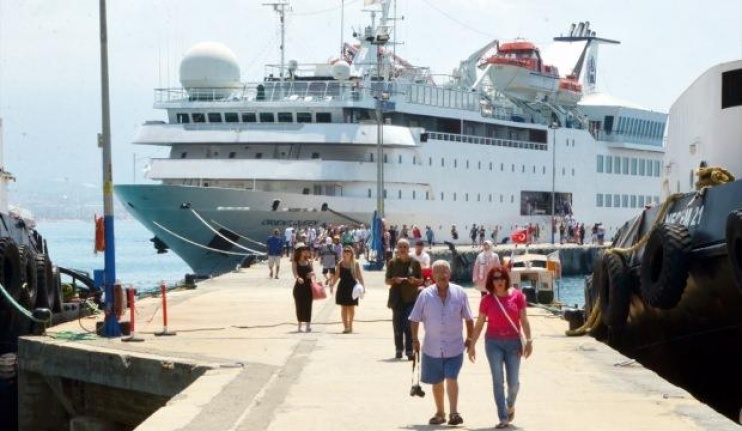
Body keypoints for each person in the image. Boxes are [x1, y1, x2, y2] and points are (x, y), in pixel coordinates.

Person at [410, 260, 474, 426]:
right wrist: (415, 339)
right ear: (432, 275)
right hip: (431, 348)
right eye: (437, 271)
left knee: (451, 377)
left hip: (455, 347)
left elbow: (469, 318)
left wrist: (470, 339)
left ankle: (454, 413)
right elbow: (414, 318)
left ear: (450, 274)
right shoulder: (425, 295)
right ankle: (440, 413)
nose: (442, 275)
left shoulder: (460, 293)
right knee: (437, 382)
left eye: (445, 271)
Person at [467, 266, 533, 429]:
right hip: (493, 343)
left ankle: (510, 404)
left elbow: (524, 320)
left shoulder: (518, 296)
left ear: (506, 279)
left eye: (502, 277)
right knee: (498, 381)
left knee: (513, 384)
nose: (499, 281)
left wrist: (530, 340)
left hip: (513, 343)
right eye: (495, 278)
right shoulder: (487, 300)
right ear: (491, 281)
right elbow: (480, 323)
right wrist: (472, 344)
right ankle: (503, 417)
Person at [385, 238, 423, 359]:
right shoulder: (392, 262)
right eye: (400, 247)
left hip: (410, 298)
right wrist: (394, 280)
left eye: (404, 247)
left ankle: (409, 350)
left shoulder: (414, 263)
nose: (402, 249)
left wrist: (414, 281)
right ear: (397, 248)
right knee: (397, 325)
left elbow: (421, 280)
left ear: (408, 249)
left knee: (408, 325)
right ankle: (398, 349)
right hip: (396, 298)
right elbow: (387, 280)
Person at [329, 246, 365, 333]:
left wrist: (363, 286)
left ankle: (350, 325)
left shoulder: (355, 264)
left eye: (348, 252)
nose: (346, 253)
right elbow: (337, 276)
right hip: (342, 287)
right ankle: (345, 327)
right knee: (344, 307)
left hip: (353, 288)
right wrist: (332, 285)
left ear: (352, 253)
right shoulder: (340, 264)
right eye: (345, 251)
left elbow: (359, 276)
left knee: (351, 308)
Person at [291, 246, 316, 333]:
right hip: (299, 287)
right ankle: (299, 325)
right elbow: (295, 274)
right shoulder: (295, 262)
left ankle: (308, 326)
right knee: (299, 306)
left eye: (307, 251)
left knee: (308, 306)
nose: (306, 252)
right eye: (304, 251)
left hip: (309, 287)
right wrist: (298, 278)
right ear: (300, 252)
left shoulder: (309, 261)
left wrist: (312, 274)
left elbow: (313, 273)